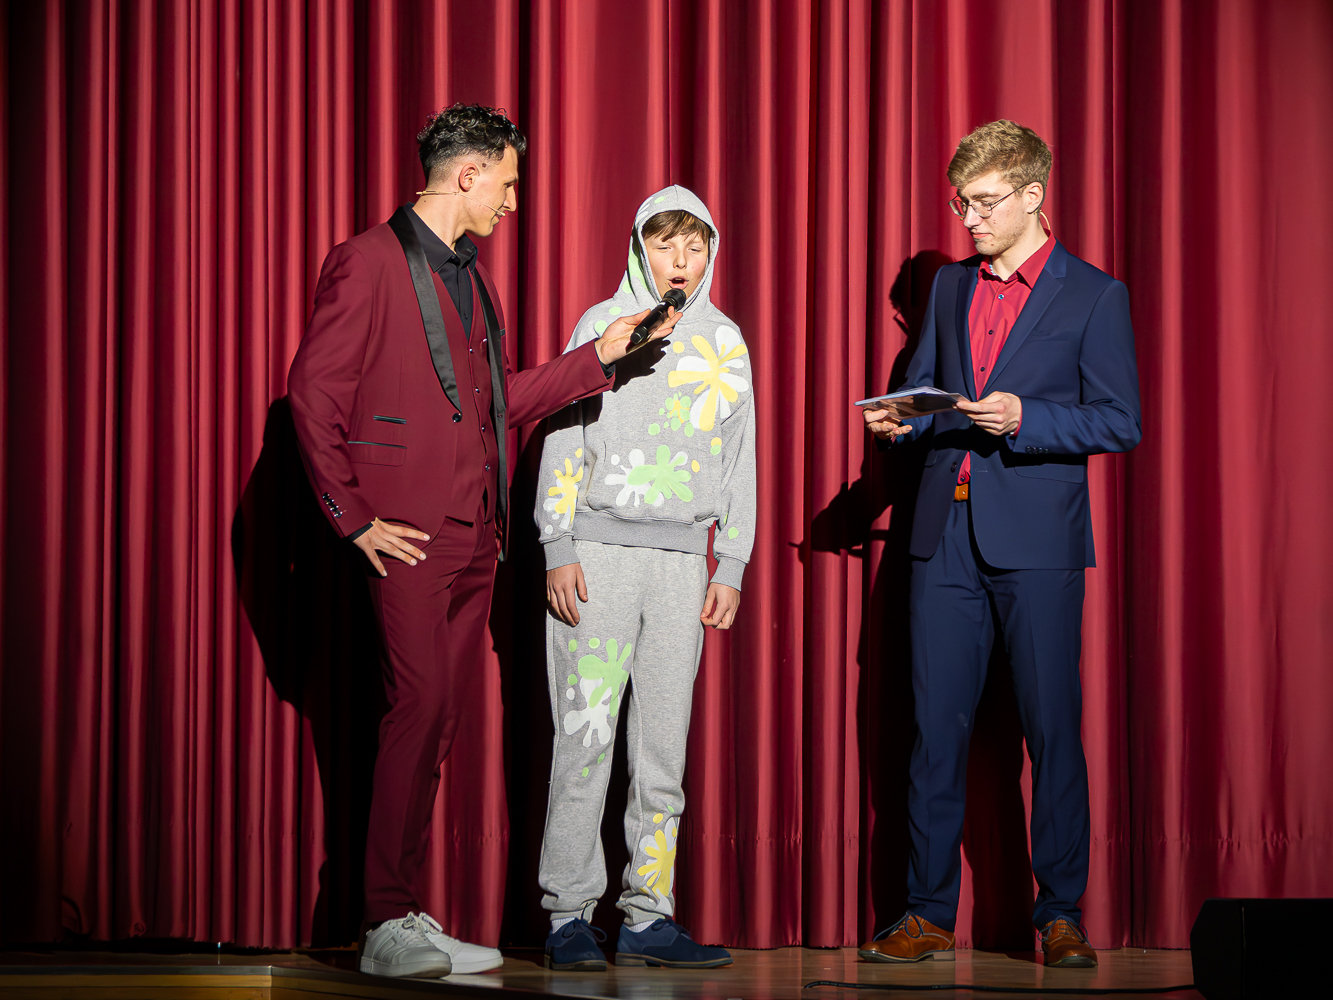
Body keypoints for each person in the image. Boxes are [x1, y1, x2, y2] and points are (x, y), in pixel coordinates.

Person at [287, 104, 678, 980]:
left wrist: (601, 359)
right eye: (505, 183)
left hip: (476, 539)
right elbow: (311, 394)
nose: (511, 201)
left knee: (437, 721)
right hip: (405, 535)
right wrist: (351, 516)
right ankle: (382, 920)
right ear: (467, 174)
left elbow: (497, 401)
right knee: (417, 709)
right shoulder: (366, 260)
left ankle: (401, 914)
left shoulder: (474, 278)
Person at [859, 120, 1141, 968]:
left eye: (983, 203)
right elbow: (929, 391)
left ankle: (1060, 915)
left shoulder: (1094, 296)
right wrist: (900, 420)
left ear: (1032, 196)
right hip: (940, 537)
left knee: (1051, 730)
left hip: (1038, 544)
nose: (969, 219)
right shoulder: (950, 286)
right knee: (932, 732)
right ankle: (924, 913)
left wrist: (1026, 417)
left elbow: (1118, 421)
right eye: (961, 204)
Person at [534, 186, 755, 971]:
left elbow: (739, 460)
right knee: (584, 739)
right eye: (666, 245)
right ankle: (567, 914)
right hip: (595, 562)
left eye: (695, 247)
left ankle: (647, 915)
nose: (681, 261)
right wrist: (557, 544)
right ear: (640, 249)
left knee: (662, 750)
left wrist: (730, 561)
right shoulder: (602, 326)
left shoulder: (724, 340)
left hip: (679, 568)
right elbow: (563, 430)